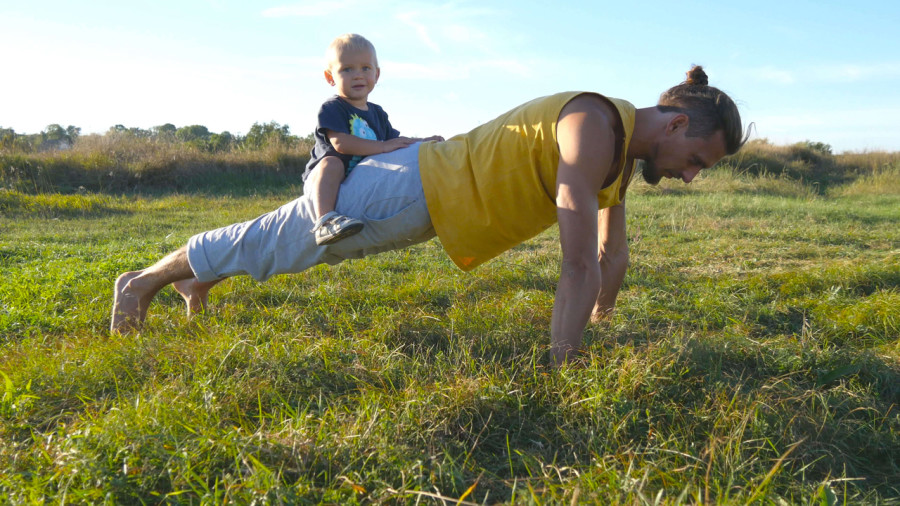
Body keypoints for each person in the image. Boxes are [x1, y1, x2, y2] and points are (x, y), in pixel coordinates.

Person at [112, 65, 749, 365]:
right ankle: (140, 283)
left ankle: (197, 279)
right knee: (290, 238)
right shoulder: (593, 122)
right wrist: (566, 359)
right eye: (696, 158)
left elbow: (613, 258)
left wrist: (601, 322)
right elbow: (579, 260)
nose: (691, 175)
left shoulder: (617, 158)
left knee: (300, 247)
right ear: (673, 122)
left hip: (428, 205)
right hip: (416, 184)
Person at [305, 33, 443, 245]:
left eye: (365, 68)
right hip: (323, 180)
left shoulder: (378, 113)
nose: (358, 75)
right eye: (347, 69)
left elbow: (396, 143)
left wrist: (423, 141)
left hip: (359, 180)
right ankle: (324, 222)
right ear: (330, 77)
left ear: (376, 74)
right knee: (331, 162)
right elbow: (341, 143)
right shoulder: (333, 107)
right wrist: (383, 146)